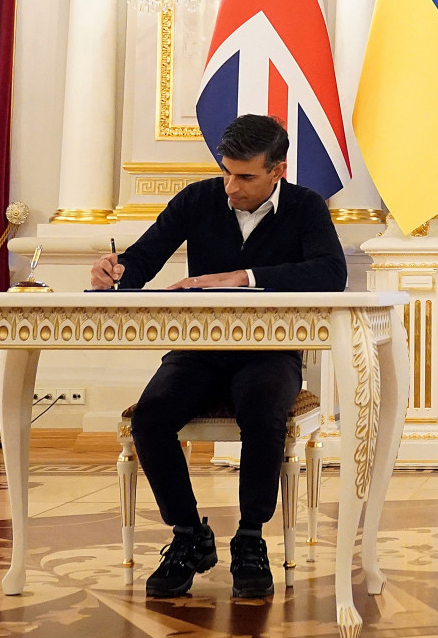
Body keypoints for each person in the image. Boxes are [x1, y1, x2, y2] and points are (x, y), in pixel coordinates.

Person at [89, 113, 346, 601]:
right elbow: (142, 261)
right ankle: (188, 535)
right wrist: (115, 270)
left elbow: (331, 273)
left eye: (245, 176)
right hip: (198, 349)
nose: (230, 186)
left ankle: (251, 538)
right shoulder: (198, 199)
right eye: (226, 171)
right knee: (151, 416)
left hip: (270, 351)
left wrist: (241, 276)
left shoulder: (307, 206)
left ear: (278, 171)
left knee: (264, 410)